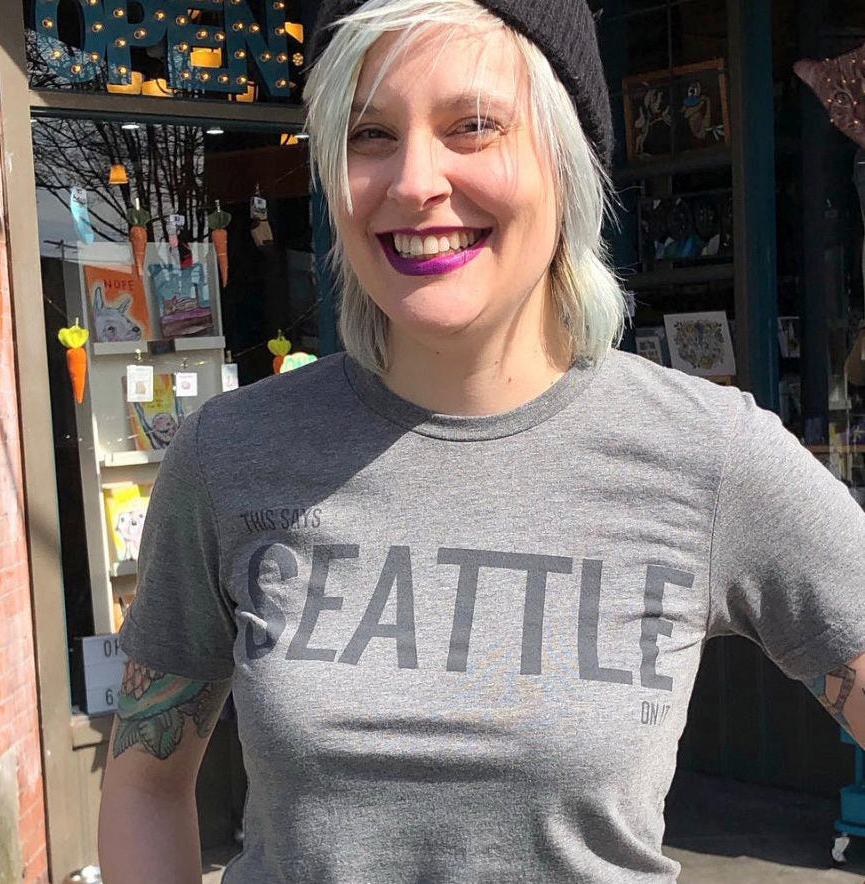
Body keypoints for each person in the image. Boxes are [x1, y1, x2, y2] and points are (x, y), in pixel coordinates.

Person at [98, 1, 865, 881]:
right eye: (370, 134)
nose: (414, 179)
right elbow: (147, 787)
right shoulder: (228, 454)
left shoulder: (708, 456)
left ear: (565, 161)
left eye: (472, 126)